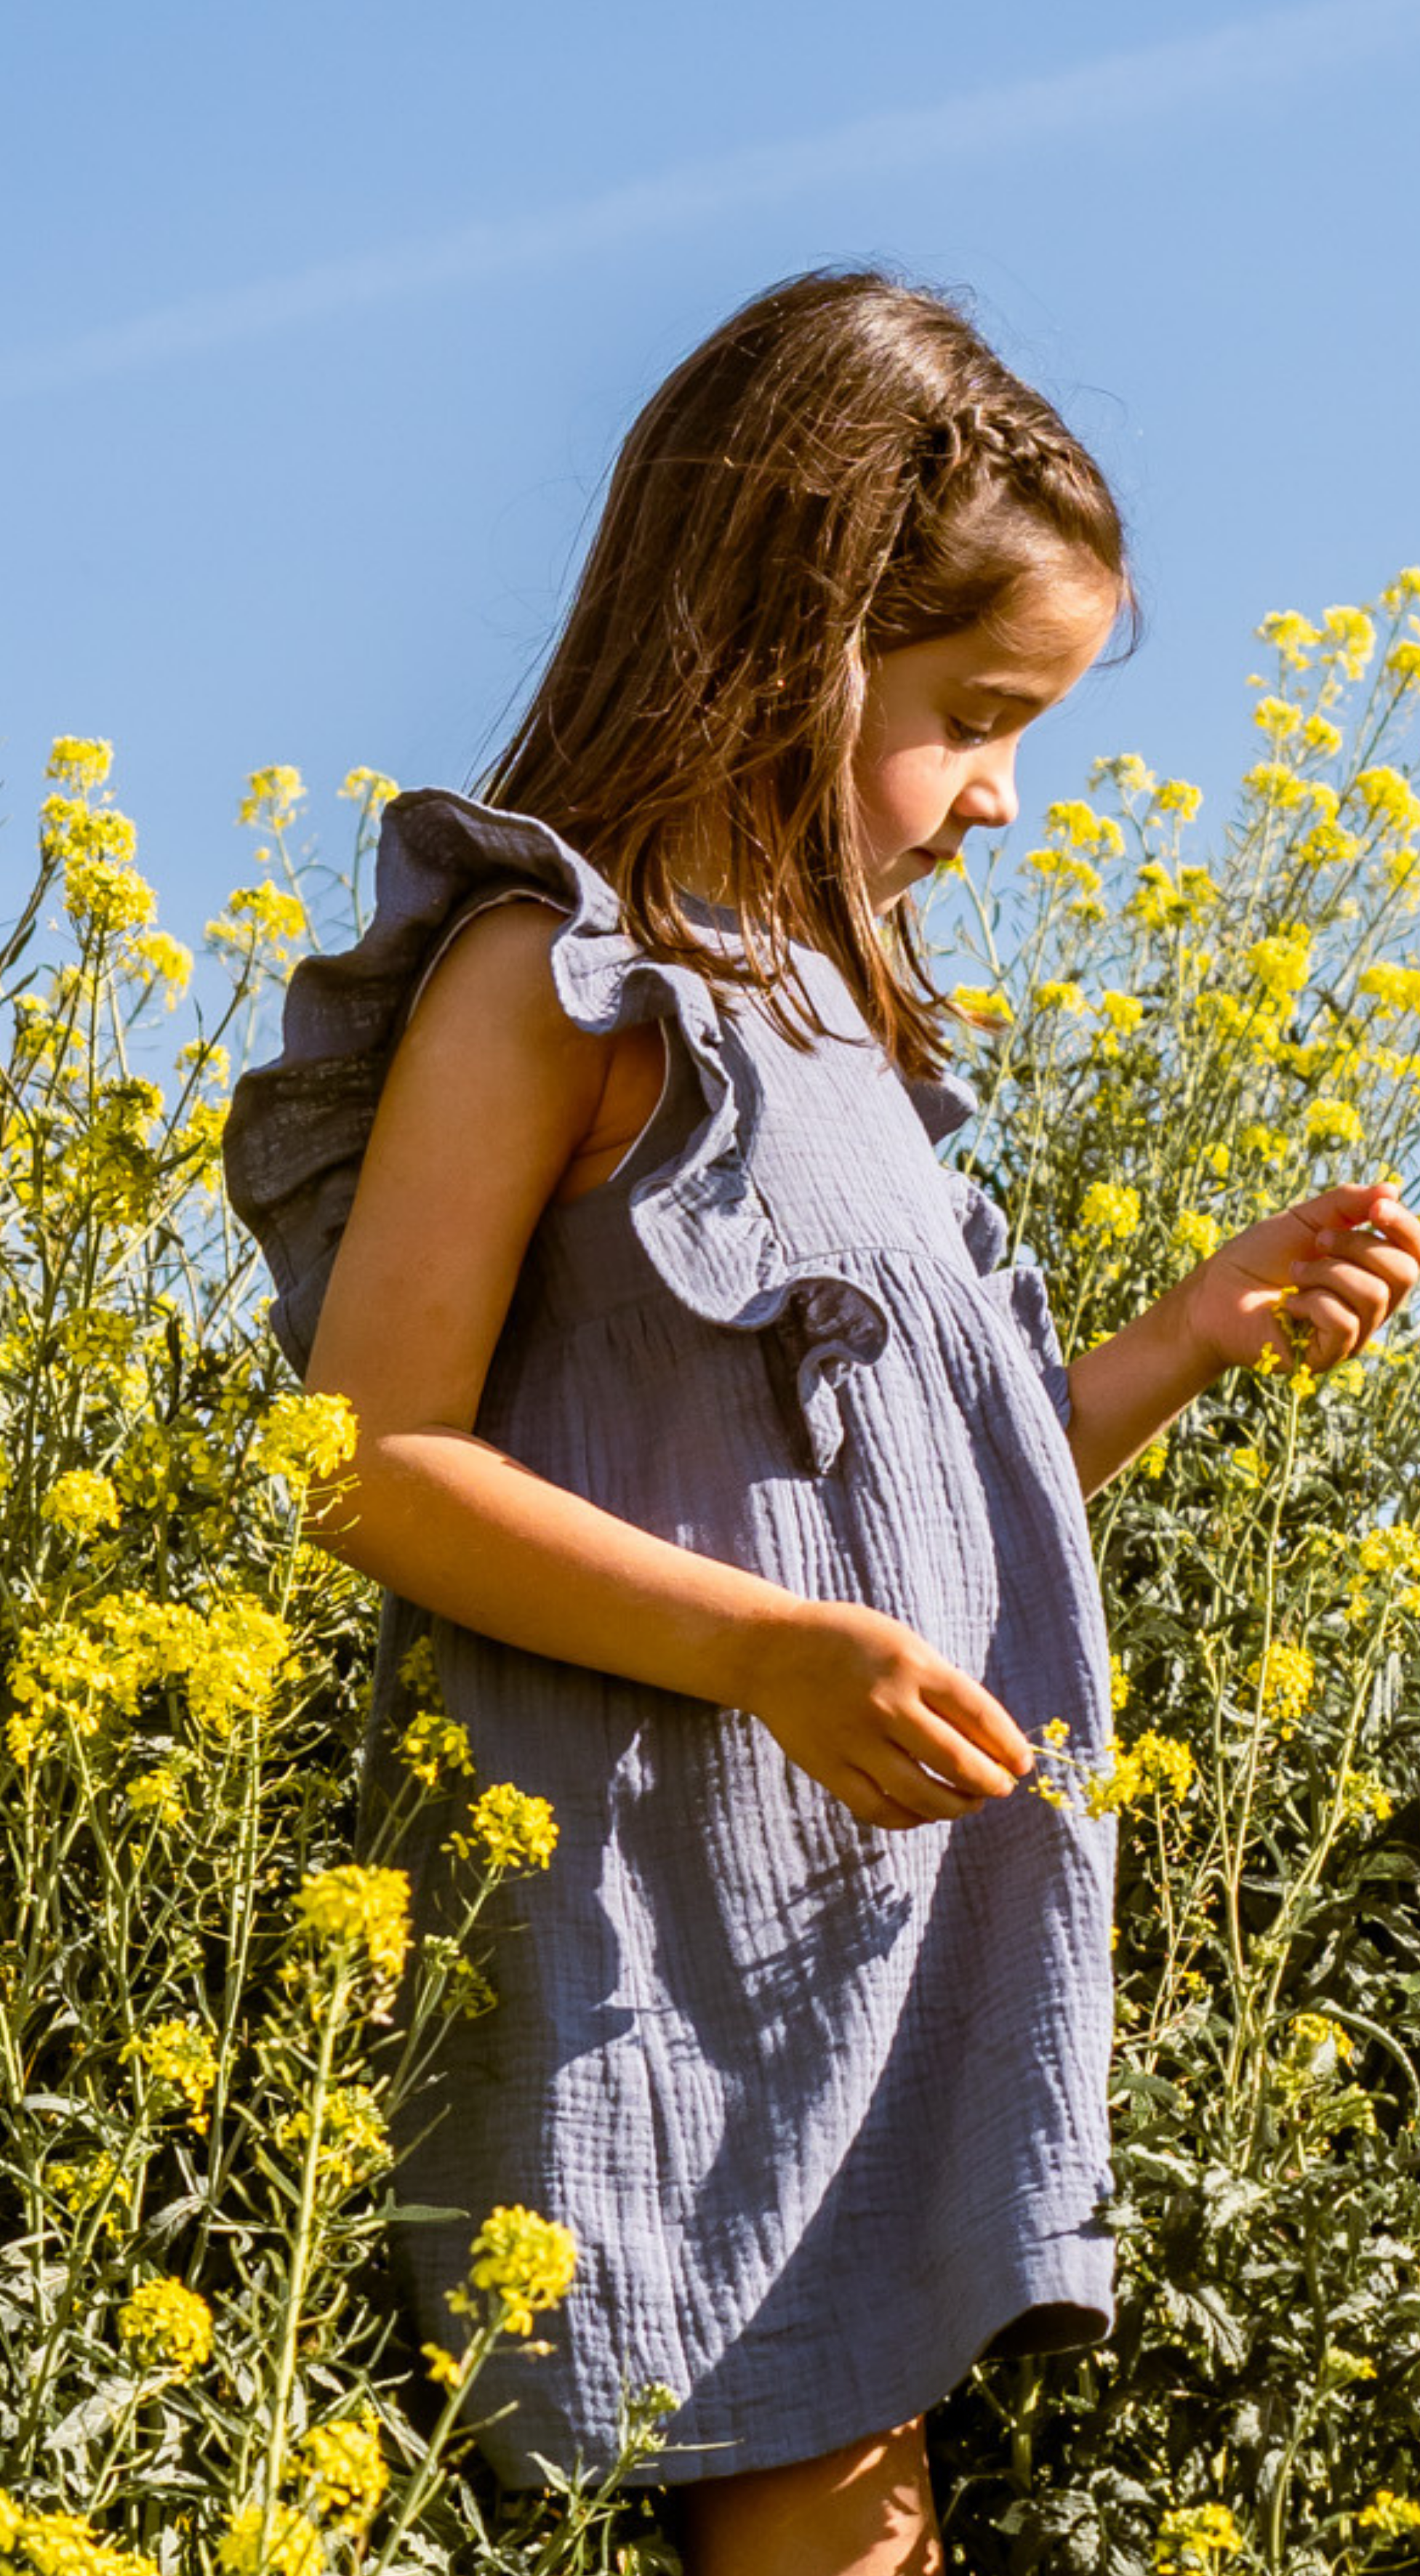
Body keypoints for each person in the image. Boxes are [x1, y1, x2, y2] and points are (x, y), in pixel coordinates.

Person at [221, 270, 1420, 2576]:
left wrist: (1184, 1334)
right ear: (795, 630)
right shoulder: (556, 978)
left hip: (848, 1942)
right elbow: (367, 1452)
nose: (993, 797)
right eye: (973, 716)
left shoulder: (840, 1031)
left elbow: (906, 1530)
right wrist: (777, 1655)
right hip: (660, 1958)